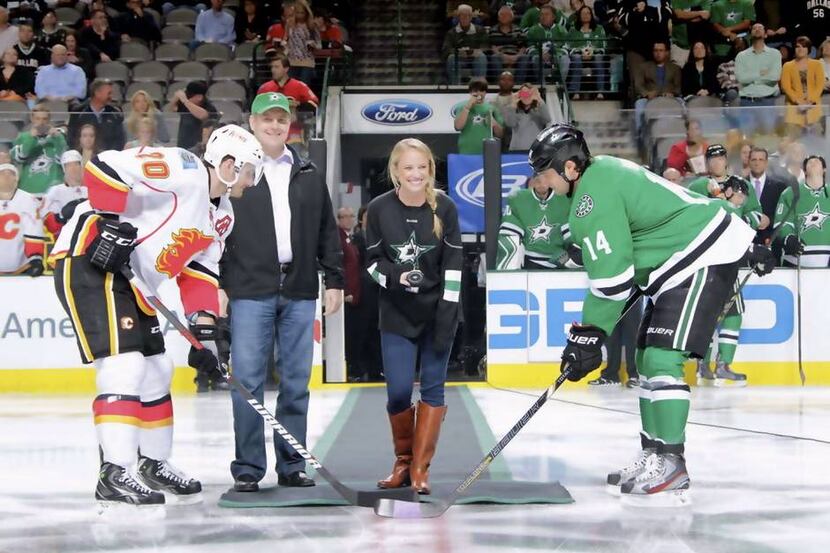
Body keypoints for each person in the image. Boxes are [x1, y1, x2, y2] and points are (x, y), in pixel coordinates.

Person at [528, 124, 775, 504]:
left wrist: (587, 336)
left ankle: (672, 463)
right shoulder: (601, 175)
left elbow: (612, 280)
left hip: (700, 256)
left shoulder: (592, 195)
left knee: (662, 357)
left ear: (570, 168)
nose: (540, 179)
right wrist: (590, 335)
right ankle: (654, 454)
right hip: (678, 263)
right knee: (645, 359)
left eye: (545, 169)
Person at [48, 124, 263, 509]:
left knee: (158, 368)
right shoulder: (184, 166)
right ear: (229, 164)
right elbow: (105, 167)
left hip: (134, 281)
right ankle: (114, 473)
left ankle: (153, 463)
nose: (251, 182)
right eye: (249, 171)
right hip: (88, 260)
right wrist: (111, 224)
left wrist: (206, 329)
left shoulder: (223, 214)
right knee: (124, 366)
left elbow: (199, 272)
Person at [221, 93, 343, 493]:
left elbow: (327, 229)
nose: (275, 125)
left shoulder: (307, 171)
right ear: (252, 123)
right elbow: (215, 230)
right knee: (248, 383)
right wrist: (220, 284)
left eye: (281, 119)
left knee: (295, 383)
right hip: (249, 290)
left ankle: (292, 465)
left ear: (290, 124)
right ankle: (248, 468)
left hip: (300, 288)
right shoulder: (233, 171)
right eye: (267, 119)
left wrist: (335, 279)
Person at [366, 138, 462, 495]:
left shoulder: (446, 208)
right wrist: (396, 277)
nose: (416, 174)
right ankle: (403, 462)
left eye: (422, 167)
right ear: (395, 172)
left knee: (434, 388)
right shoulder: (377, 210)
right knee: (399, 391)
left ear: (430, 170)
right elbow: (372, 267)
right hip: (396, 312)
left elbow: (454, 267)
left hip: (439, 311)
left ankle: (420, 469)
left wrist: (448, 314)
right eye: (408, 167)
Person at [687, 145, 768, 386]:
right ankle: (702, 363)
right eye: (711, 158)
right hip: (705, 257)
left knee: (733, 311)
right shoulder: (696, 187)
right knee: (706, 311)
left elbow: (758, 216)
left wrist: (741, 220)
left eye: (719, 157)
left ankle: (724, 364)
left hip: (732, 255)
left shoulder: (742, 184)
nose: (715, 162)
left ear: (725, 160)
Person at [496, 173, 577, 270]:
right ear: (532, 182)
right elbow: (510, 236)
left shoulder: (564, 201)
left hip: (557, 262)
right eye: (538, 180)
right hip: (528, 262)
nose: (541, 184)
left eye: (545, 179)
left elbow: (572, 239)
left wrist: (566, 258)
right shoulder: (519, 200)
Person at [775, 155, 830, 268]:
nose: (813, 161)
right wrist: (789, 239)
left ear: (824, 169)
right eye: (809, 162)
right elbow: (781, 222)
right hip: (795, 262)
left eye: (818, 161)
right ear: (804, 171)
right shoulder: (790, 193)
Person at [734, 23, 782, 135]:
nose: (757, 29)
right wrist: (762, 74)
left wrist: (752, 76)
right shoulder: (741, 56)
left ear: (766, 35)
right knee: (747, 137)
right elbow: (741, 78)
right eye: (754, 28)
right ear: (750, 35)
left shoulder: (775, 54)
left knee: (768, 135)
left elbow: (775, 76)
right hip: (747, 102)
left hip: (767, 101)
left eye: (760, 27)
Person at [11, 105, 68, 196]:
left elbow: (62, 159)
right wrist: (31, 138)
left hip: (52, 191)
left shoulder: (58, 137)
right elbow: (20, 158)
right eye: (38, 119)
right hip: (28, 190)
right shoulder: (23, 137)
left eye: (44, 119)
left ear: (49, 120)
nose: (41, 122)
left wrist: (57, 138)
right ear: (32, 119)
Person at [0, 163, 46, 276]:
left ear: (16, 179)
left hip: (22, 266)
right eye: (2, 174)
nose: (6, 177)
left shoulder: (28, 200)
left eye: (10, 174)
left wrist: (36, 258)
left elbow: (33, 230)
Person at [337, 206, 364, 380]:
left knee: (355, 334)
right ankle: (351, 369)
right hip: (347, 296)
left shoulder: (350, 239)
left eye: (351, 216)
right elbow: (340, 266)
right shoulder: (338, 239)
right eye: (344, 217)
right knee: (348, 336)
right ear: (339, 219)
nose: (348, 219)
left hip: (356, 294)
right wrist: (344, 291)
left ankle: (355, 368)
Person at [633, 41, 682, 136]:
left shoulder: (675, 68)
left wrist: (672, 93)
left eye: (661, 50)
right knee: (639, 104)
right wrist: (647, 94)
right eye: (655, 51)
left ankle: (680, 132)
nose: (658, 53)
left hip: (669, 98)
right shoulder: (643, 67)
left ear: (666, 52)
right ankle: (640, 133)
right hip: (649, 98)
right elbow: (638, 85)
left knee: (681, 102)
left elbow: (678, 86)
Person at [780, 36, 825, 138]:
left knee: (816, 139)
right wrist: (798, 101)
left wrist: (810, 101)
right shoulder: (787, 65)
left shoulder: (817, 64)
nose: (800, 49)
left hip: (813, 107)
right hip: (794, 107)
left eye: (804, 47)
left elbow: (820, 85)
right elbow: (785, 86)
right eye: (797, 46)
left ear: (808, 49)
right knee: (793, 139)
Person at [264, 2, 320, 85]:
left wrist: (313, 45)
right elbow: (286, 39)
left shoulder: (312, 25)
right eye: (298, 13)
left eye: (302, 13)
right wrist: (282, 45)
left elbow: (319, 44)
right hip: (292, 60)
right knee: (291, 85)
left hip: (307, 61)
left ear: (307, 13)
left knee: (303, 85)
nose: (300, 15)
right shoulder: (290, 23)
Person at [746, 146, 788, 246]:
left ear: (766, 162)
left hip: (770, 241)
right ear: (749, 162)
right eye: (754, 159)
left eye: (761, 160)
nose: (757, 163)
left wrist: (769, 220)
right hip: (745, 241)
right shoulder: (740, 185)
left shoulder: (779, 187)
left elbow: (784, 215)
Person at [453, 77, 504, 155]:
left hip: (487, 151)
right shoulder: (461, 106)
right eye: (476, 90)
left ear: (485, 92)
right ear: (470, 92)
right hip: (466, 150)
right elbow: (458, 127)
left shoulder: (492, 108)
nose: (479, 94)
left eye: (482, 90)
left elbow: (500, 134)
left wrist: (494, 123)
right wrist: (467, 108)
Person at [566, 5, 608, 99]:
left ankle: (600, 91)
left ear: (592, 15)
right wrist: (581, 51)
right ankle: (575, 92)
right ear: (579, 16)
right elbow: (568, 45)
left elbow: (604, 45)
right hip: (578, 55)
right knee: (576, 58)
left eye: (588, 13)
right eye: (583, 13)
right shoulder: (573, 30)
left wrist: (593, 51)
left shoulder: (599, 29)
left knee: (598, 58)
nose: (586, 15)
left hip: (595, 54)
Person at [42, 150, 87, 237]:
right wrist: (60, 217)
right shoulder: (55, 191)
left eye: (76, 164)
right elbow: (45, 219)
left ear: (81, 166)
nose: (73, 168)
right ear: (64, 168)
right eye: (69, 165)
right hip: (64, 237)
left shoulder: (91, 190)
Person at [526, 5, 570, 90]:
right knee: (535, 58)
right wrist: (541, 53)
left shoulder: (561, 29)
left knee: (565, 59)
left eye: (547, 14)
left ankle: (560, 86)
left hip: (557, 56)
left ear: (553, 17)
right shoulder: (533, 30)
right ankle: (542, 87)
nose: (543, 17)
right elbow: (529, 48)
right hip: (540, 56)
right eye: (541, 14)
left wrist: (553, 54)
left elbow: (566, 47)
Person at [442, 3, 489, 85]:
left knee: (482, 57)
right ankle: (456, 87)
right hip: (459, 59)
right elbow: (446, 49)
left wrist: (479, 51)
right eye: (462, 15)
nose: (465, 18)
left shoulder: (480, 30)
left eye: (467, 15)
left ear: (471, 17)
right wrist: (457, 53)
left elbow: (486, 45)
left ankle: (479, 86)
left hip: (475, 57)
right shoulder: (451, 32)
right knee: (451, 58)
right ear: (458, 17)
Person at [167, 81, 218, 151]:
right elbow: (171, 110)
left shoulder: (209, 107)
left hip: (199, 146)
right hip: (183, 145)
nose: (187, 98)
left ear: (200, 97)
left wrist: (185, 100)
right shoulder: (185, 105)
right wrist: (175, 98)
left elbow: (203, 115)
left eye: (189, 96)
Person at [501, 83, 551, 151]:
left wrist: (539, 99)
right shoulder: (513, 109)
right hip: (517, 150)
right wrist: (513, 105)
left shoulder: (538, 110)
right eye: (523, 94)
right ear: (519, 95)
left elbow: (547, 119)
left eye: (528, 93)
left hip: (535, 150)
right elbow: (510, 123)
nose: (526, 96)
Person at [488, 5, 529, 84]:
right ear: (498, 18)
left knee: (525, 58)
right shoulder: (493, 30)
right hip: (500, 56)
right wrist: (503, 56)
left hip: (516, 56)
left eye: (507, 15)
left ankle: (518, 85)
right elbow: (493, 47)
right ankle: (499, 84)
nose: (504, 17)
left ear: (511, 17)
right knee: (494, 57)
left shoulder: (518, 30)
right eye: (502, 15)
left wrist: (516, 57)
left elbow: (523, 47)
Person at [670, 0, 713, 66]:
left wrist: (684, 17)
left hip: (699, 47)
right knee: (677, 73)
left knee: (699, 73)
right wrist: (699, 13)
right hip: (679, 46)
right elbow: (679, 14)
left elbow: (706, 15)